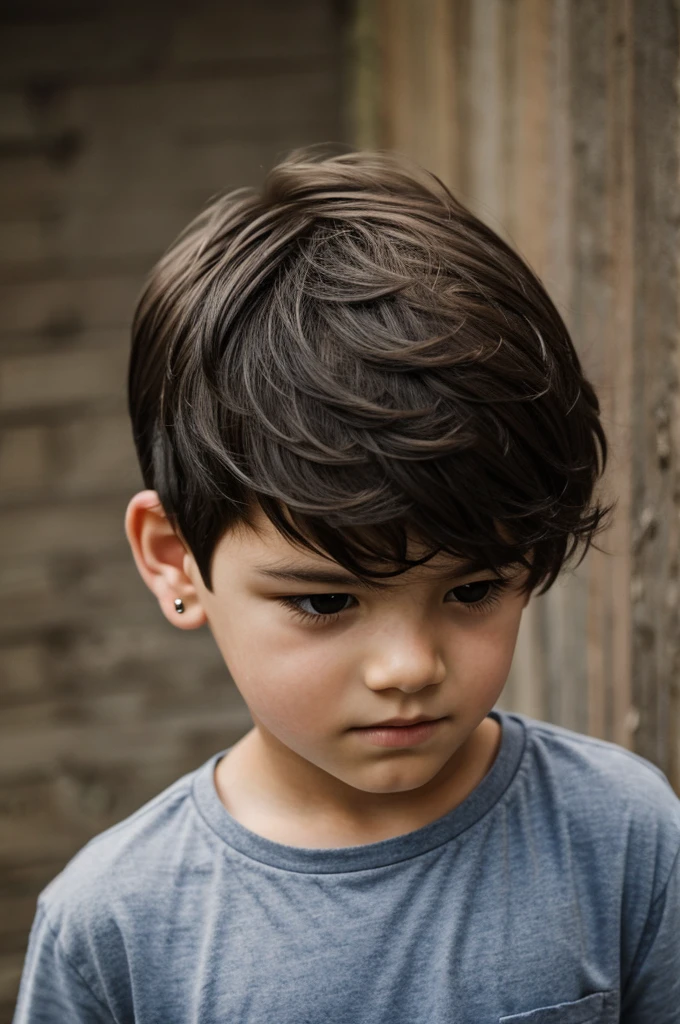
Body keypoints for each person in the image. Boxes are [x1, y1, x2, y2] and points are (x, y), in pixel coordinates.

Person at [13, 149, 680, 1023]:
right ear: (176, 560)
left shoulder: (622, 837)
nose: (408, 667)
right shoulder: (116, 928)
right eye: (326, 601)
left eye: (473, 588)